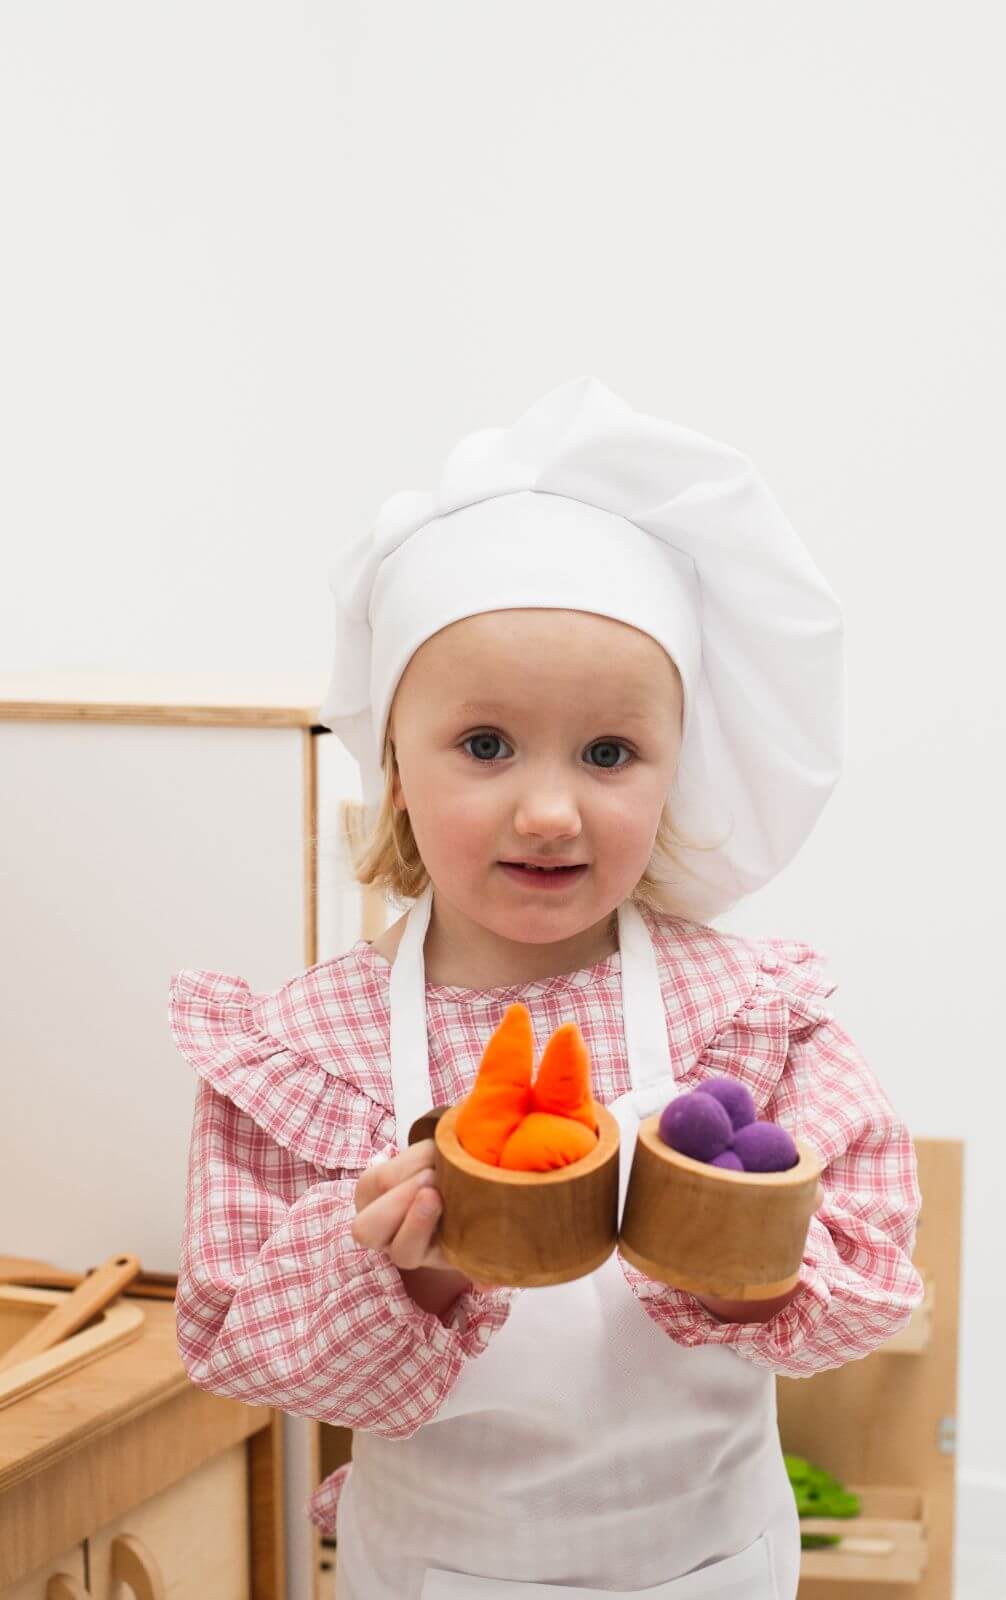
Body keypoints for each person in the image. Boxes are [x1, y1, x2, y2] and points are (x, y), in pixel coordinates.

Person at [168, 376, 924, 1598]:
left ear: (675, 772)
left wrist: (751, 1260)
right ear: (393, 765)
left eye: (611, 752)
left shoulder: (749, 1014)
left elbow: (870, 1279)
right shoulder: (311, 1048)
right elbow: (245, 1349)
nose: (551, 808)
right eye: (484, 744)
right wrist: (411, 1268)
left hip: (713, 1567)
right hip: (436, 1572)